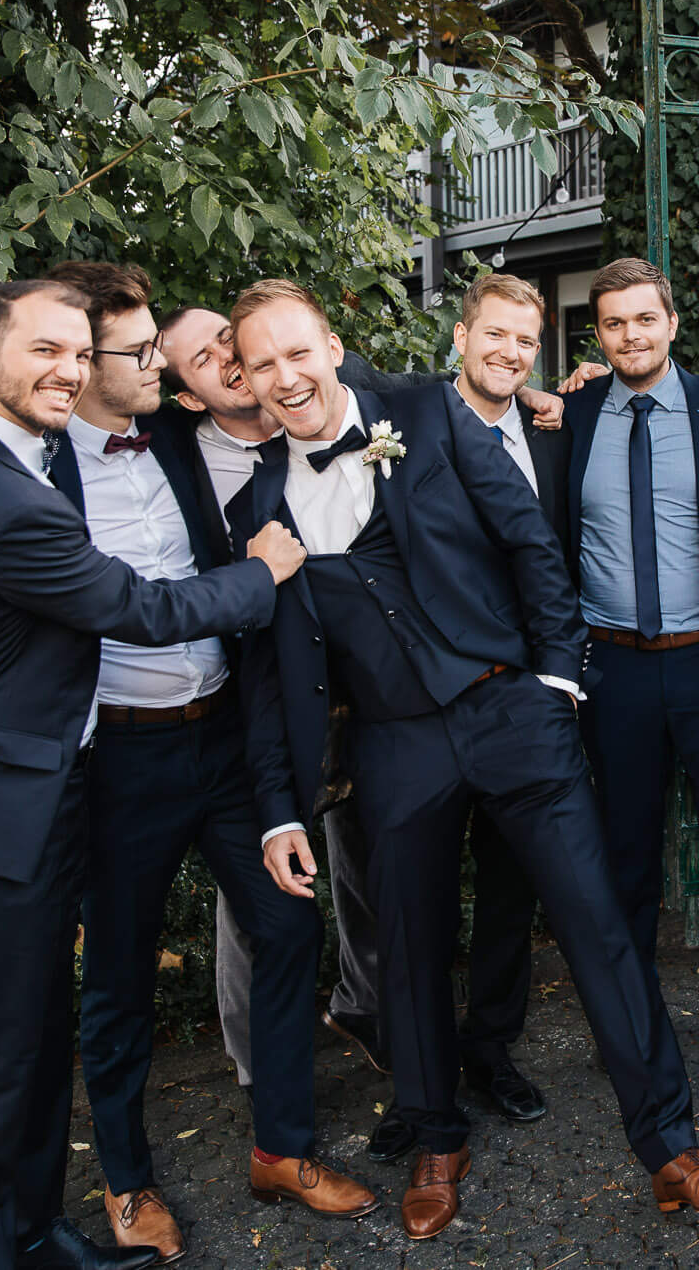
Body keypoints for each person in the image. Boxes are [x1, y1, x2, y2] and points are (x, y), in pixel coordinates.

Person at [229, 280, 699, 1240]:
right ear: (247, 380)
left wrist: (554, 679)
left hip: (511, 709)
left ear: (332, 348)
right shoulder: (257, 507)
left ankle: (672, 1148)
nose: (285, 377)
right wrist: (279, 809)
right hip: (393, 743)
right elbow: (265, 679)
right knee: (409, 951)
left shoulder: (428, 413)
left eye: (297, 353)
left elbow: (528, 540)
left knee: (596, 924)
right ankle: (437, 1138)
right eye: (262, 365)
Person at [0, 267, 376, 1262]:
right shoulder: (34, 470)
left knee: (288, 923)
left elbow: (322, 375)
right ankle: (125, 1180)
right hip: (115, 757)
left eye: (98, 351)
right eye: (132, 351)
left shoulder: (174, 440)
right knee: (117, 975)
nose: (148, 364)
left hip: (222, 739)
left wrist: (538, 394)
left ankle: (282, 1150)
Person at [150, 304, 557, 1141]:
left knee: (422, 885)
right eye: (208, 359)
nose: (235, 363)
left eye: (232, 344)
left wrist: (531, 389)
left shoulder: (347, 393)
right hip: (289, 705)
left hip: (410, 695)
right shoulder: (176, 460)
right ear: (186, 394)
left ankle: (462, 1045)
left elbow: (436, 398)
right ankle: (291, 1080)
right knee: (297, 893)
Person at [361, 272, 564, 1161]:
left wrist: (556, 686)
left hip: (524, 702)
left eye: (526, 341)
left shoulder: (554, 434)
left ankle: (491, 1048)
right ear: (460, 336)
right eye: (495, 334)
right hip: (420, 708)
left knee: (511, 891)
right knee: (418, 905)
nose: (510, 353)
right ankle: (421, 1080)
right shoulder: (399, 421)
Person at [559, 259, 699, 1054]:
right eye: (614, 323)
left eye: (645, 318)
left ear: (672, 323)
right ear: (598, 335)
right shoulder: (571, 413)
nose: (631, 336)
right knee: (625, 844)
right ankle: (631, 996)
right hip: (613, 666)